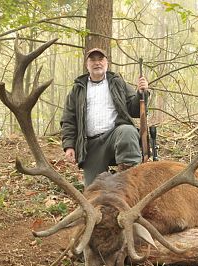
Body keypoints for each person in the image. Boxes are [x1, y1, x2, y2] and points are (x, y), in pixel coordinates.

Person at [61, 48, 149, 186]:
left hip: (114, 136)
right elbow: (68, 120)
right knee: (93, 192)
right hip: (90, 146)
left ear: (106, 63)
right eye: (93, 60)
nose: (97, 63)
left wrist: (141, 93)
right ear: (87, 64)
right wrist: (69, 146)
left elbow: (135, 110)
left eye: (100, 59)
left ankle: (129, 180)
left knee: (127, 131)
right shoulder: (77, 89)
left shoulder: (118, 83)